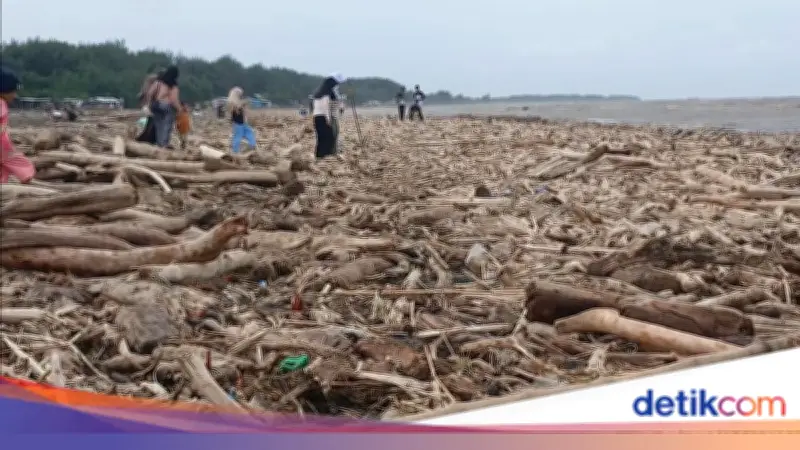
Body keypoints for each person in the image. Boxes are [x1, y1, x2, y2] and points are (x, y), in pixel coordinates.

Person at [0, 69, 35, 184]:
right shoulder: (1, 103)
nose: (15, 95)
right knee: (24, 165)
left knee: (4, 169)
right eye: (13, 92)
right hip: (3, 149)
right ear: (5, 91)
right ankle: (26, 180)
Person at [146, 65, 181, 148]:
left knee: (158, 125)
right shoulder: (173, 85)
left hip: (155, 105)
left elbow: (149, 94)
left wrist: (149, 104)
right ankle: (164, 143)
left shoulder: (158, 82)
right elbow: (173, 100)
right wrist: (180, 109)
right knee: (167, 125)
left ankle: (159, 143)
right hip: (165, 106)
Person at [311, 73, 345, 159]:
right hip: (323, 117)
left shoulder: (317, 94)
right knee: (329, 137)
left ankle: (319, 156)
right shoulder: (326, 95)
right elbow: (325, 109)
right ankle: (326, 155)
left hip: (316, 117)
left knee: (321, 138)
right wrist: (328, 120)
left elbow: (315, 108)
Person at [227, 87, 257, 153]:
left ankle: (252, 146)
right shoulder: (232, 102)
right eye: (240, 94)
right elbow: (236, 108)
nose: (241, 95)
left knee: (250, 132)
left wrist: (245, 105)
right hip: (237, 123)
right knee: (238, 136)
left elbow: (243, 111)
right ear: (236, 94)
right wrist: (244, 102)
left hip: (243, 123)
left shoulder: (239, 101)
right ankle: (235, 151)